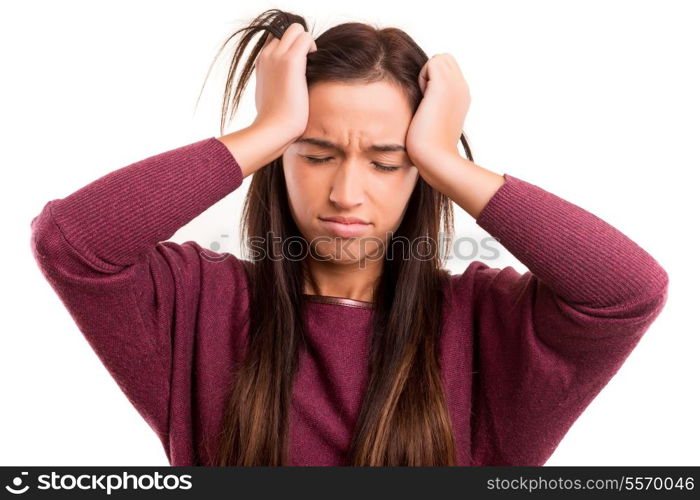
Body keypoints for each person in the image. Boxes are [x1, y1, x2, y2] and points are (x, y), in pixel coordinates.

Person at [29, 9, 669, 466]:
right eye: (314, 153)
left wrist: (448, 162)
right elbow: (71, 244)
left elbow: (628, 293)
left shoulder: (485, 327)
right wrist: (265, 129)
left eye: (387, 161)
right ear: (279, 157)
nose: (346, 193)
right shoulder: (197, 305)